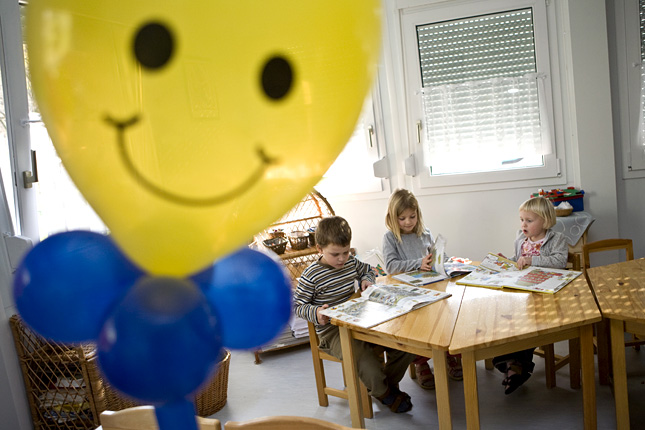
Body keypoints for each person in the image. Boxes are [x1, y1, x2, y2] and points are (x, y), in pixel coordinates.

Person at [294, 216, 416, 413]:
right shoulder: (311, 275)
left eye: (346, 252)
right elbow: (297, 306)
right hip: (332, 332)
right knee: (365, 359)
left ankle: (382, 385)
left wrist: (367, 280)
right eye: (335, 254)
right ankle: (385, 394)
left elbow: (368, 270)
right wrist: (316, 312)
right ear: (319, 249)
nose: (342, 259)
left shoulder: (350, 262)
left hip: (360, 321)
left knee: (405, 345)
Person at [382, 188, 463, 389]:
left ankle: (448, 354)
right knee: (417, 327)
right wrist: (419, 263)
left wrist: (447, 261)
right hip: (408, 292)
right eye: (402, 218)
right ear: (392, 217)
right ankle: (421, 363)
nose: (408, 222)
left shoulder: (425, 233)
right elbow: (391, 266)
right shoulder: (390, 238)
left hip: (432, 286)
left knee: (444, 317)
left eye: (412, 216)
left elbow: (435, 257)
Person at [493, 196, 568, 394]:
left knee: (529, 323)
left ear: (545, 220)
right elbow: (519, 261)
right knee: (509, 318)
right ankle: (513, 363)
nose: (523, 225)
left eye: (529, 220)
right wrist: (507, 261)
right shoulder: (521, 239)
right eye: (521, 220)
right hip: (523, 291)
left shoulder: (556, 239)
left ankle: (515, 364)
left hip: (545, 294)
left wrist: (532, 260)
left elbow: (560, 261)